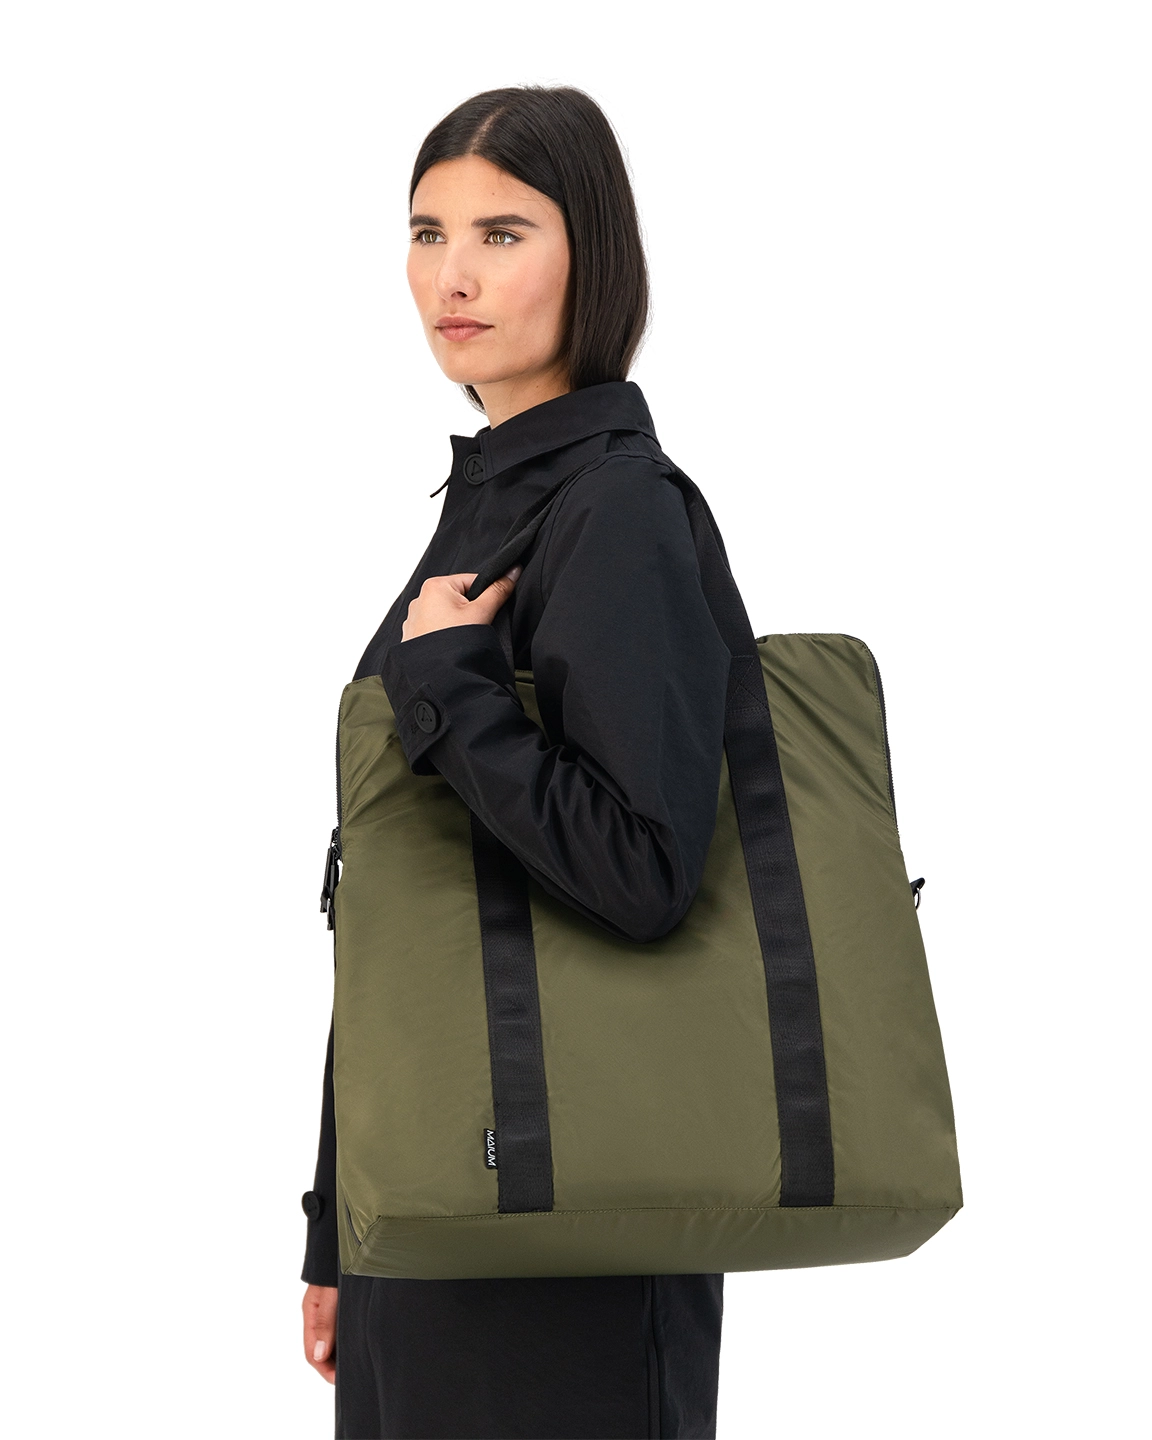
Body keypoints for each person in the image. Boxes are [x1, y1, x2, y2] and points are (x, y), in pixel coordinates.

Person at [300, 86, 729, 1440]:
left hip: (563, 1228)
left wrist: (451, 690)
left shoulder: (618, 509)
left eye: (502, 232)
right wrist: (339, 1223)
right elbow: (406, 898)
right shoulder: (494, 501)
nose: (454, 276)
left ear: (592, 256)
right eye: (427, 232)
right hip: (434, 1208)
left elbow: (643, 868)